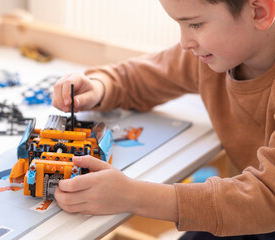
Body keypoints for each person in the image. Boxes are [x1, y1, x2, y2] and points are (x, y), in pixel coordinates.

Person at [51, 0, 275, 239]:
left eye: (196, 24)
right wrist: (99, 88)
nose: (184, 42)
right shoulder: (213, 56)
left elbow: (267, 198)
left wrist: (133, 196)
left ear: (259, 12)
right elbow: (142, 77)